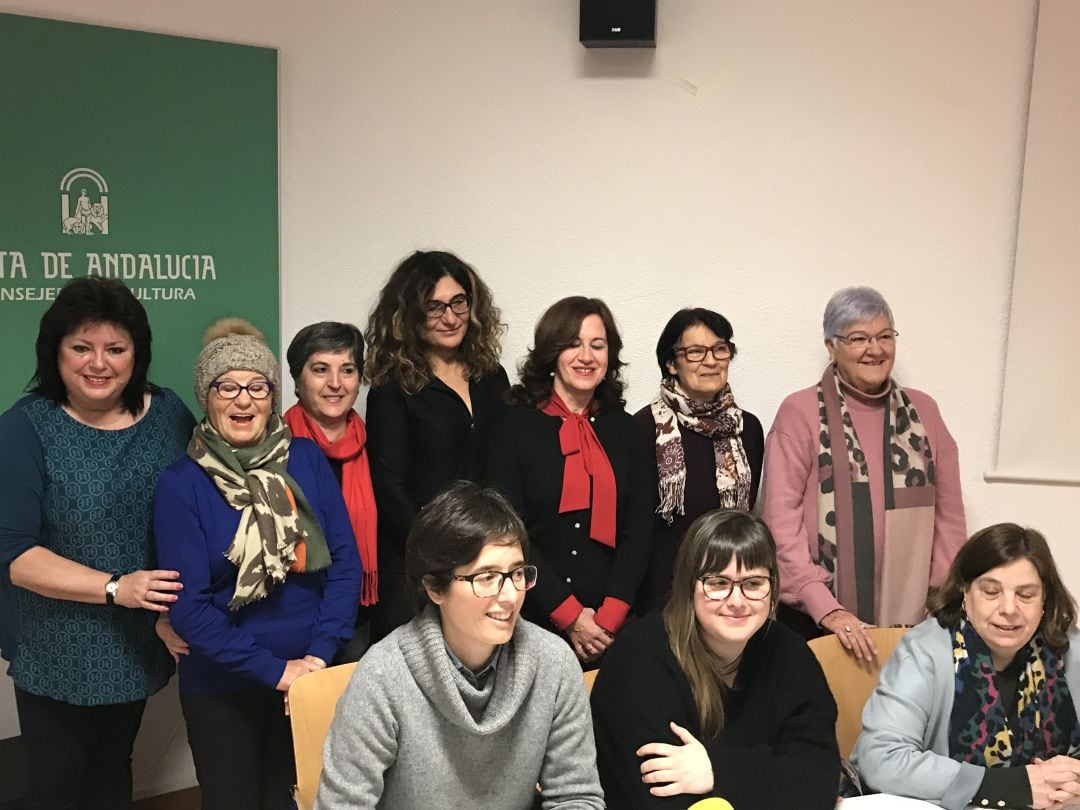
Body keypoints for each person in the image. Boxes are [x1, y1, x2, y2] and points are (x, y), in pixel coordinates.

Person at [0, 276, 194, 809]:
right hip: (54, 643)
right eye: (81, 348)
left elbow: (195, 513)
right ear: (55, 353)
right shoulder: (24, 429)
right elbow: (15, 556)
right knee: (56, 784)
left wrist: (167, 607)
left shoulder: (169, 414)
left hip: (138, 637)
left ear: (138, 353)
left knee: (113, 771)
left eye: (116, 348)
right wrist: (116, 588)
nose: (98, 363)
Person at [152, 319, 361, 810]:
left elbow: (345, 564)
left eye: (257, 386)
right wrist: (275, 671)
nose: (243, 400)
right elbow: (189, 608)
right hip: (222, 684)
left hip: (311, 673)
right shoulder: (180, 484)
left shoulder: (306, 460)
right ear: (206, 396)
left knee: (299, 798)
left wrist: (317, 658)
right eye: (227, 386)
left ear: (272, 396)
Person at [316, 481, 604, 809]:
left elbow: (577, 796)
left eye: (518, 573)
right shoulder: (383, 678)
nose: (510, 596)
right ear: (435, 588)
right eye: (486, 578)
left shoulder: (553, 664)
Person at [762, 286, 966, 658]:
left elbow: (950, 520)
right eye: (858, 338)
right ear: (831, 346)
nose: (875, 349)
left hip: (917, 626)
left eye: (885, 336)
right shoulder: (799, 412)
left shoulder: (926, 413)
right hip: (815, 624)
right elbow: (779, 522)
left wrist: (938, 603)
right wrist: (828, 609)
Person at [590, 509, 840, 809]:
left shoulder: (788, 651)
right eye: (718, 583)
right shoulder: (639, 660)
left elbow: (820, 779)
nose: (737, 601)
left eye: (753, 583)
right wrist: (773, 782)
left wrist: (716, 769)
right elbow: (664, 800)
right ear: (688, 587)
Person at [852, 523, 1080, 810]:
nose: (1009, 609)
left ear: (1044, 600)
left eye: (1025, 595)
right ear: (965, 592)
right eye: (991, 591)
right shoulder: (925, 650)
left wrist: (1072, 786)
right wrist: (1013, 787)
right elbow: (881, 759)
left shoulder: (1069, 652)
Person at [486, 296, 654, 666]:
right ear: (551, 353)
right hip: (531, 620)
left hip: (615, 629)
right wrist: (570, 616)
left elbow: (640, 531)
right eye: (572, 344)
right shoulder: (511, 429)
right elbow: (507, 532)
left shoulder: (630, 433)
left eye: (598, 345)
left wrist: (607, 619)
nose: (586, 356)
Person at [364, 250, 509, 640]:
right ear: (409, 314)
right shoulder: (392, 386)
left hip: (487, 559)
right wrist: (443, 554)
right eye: (434, 306)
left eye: (459, 302)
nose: (450, 317)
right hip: (420, 567)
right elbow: (389, 487)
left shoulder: (491, 376)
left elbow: (507, 463)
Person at [634, 308, 764, 614]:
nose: (711, 360)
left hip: (733, 597)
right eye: (695, 352)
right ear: (671, 363)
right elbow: (638, 531)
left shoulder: (748, 429)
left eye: (720, 349)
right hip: (666, 599)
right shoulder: (643, 428)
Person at [285, 321, 377, 660]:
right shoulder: (272, 448)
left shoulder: (377, 446)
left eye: (347, 370)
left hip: (359, 615)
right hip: (293, 619)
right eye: (320, 370)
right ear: (298, 379)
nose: (335, 384)